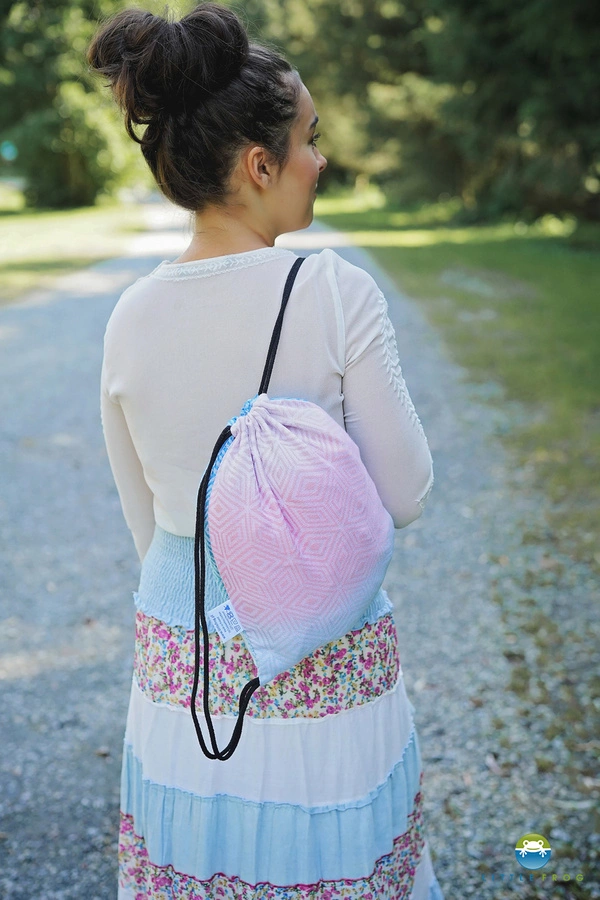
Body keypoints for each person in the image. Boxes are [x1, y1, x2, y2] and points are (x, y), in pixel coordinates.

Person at [87, 3, 444, 897]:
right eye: (308, 140)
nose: (320, 161)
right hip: (325, 660)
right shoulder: (334, 291)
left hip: (184, 670)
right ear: (259, 164)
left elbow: (150, 526)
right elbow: (406, 494)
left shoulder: (129, 316)